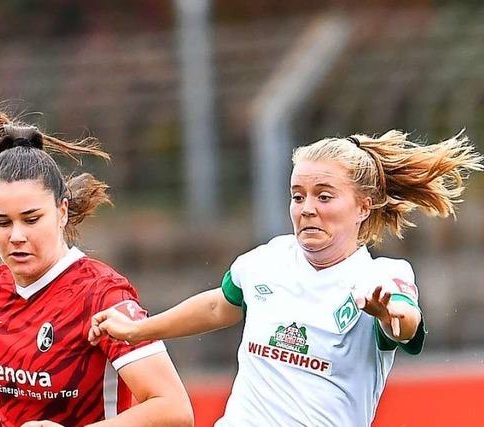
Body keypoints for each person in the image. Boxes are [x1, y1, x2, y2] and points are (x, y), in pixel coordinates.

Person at [89, 130, 483, 426]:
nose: (307, 209)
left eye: (324, 196)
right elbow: (216, 306)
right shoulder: (266, 260)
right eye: (298, 196)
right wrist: (137, 331)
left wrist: (391, 317)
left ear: (363, 206)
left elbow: (403, 322)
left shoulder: (379, 277)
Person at [0, 106, 194, 427]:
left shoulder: (101, 294)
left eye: (31, 219)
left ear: (61, 211)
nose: (16, 236)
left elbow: (174, 410)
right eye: (1, 222)